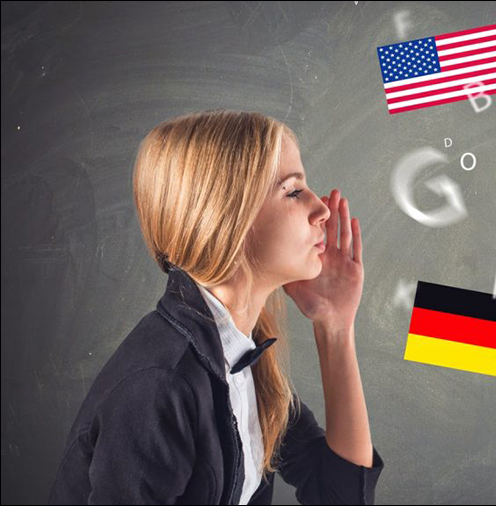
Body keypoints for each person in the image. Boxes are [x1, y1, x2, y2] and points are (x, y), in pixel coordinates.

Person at [49, 109, 384, 504]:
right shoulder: (160, 385)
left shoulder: (242, 357)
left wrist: (335, 325)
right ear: (228, 218)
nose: (322, 209)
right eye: (293, 191)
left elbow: (340, 497)